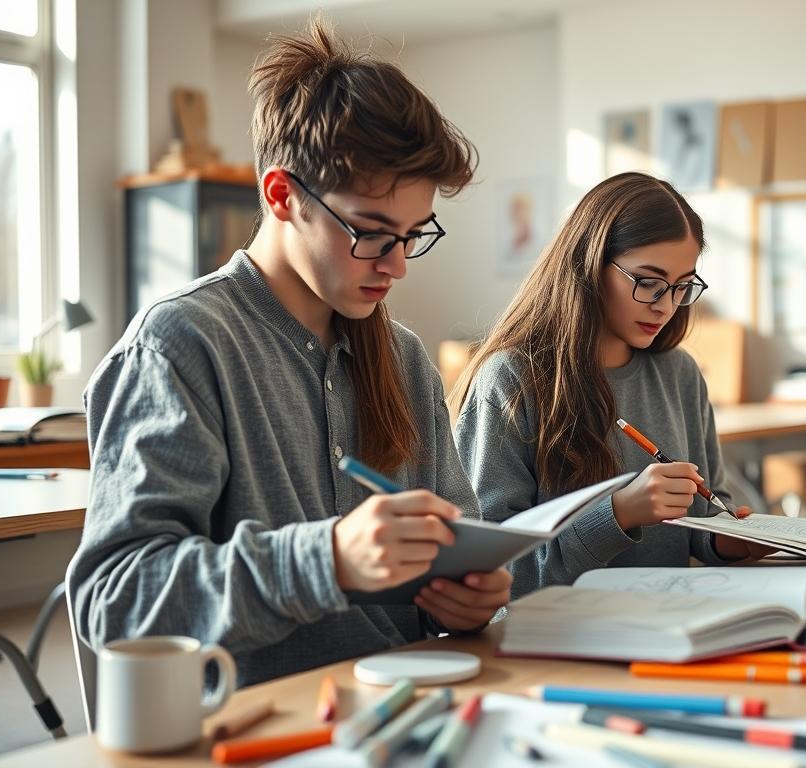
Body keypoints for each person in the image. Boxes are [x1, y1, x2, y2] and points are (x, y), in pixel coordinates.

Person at [67, 18, 510, 687]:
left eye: (414, 235)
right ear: (282, 196)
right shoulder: (180, 347)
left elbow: (460, 544)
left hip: (409, 704)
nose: (398, 266)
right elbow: (115, 600)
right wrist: (324, 560)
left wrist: (474, 597)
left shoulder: (405, 358)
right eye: (371, 232)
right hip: (256, 728)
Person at [451, 172, 770, 599]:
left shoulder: (680, 374)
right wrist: (618, 514)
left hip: (667, 625)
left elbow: (705, 514)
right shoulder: (511, 379)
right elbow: (492, 574)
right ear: (590, 264)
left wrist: (724, 542)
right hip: (555, 642)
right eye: (648, 283)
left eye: (681, 287)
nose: (665, 306)